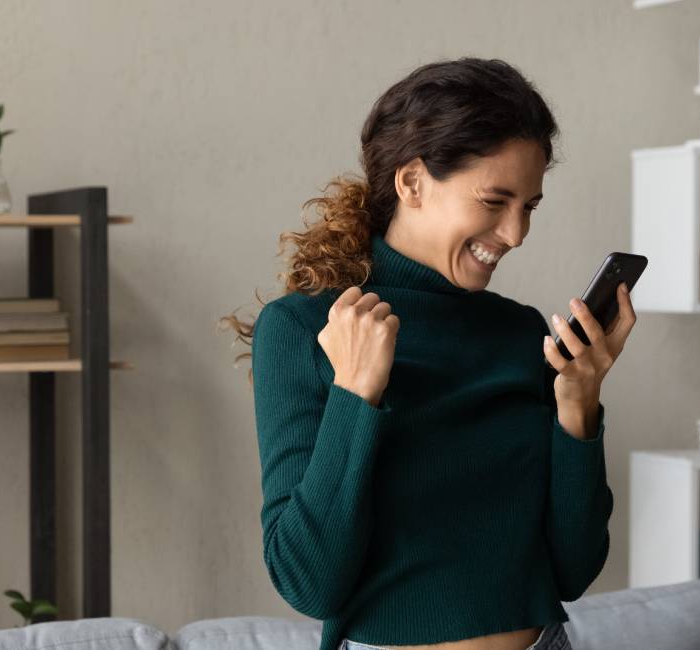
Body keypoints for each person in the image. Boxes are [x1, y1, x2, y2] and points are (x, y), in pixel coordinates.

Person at [225, 57, 637, 650]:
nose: (516, 234)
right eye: (496, 201)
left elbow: (573, 571)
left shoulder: (522, 334)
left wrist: (579, 407)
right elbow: (308, 582)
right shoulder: (304, 329)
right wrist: (356, 393)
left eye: (530, 206)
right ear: (412, 181)